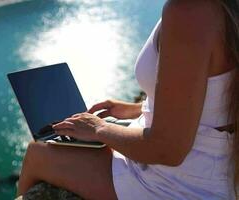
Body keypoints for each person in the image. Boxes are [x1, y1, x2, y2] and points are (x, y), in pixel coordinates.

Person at [17, 0, 239, 199]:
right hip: (212, 171)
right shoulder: (222, 8)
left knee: (38, 154)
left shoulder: (188, 11)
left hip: (177, 183)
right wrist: (136, 109)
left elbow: (168, 150)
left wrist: (98, 128)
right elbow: (213, 98)